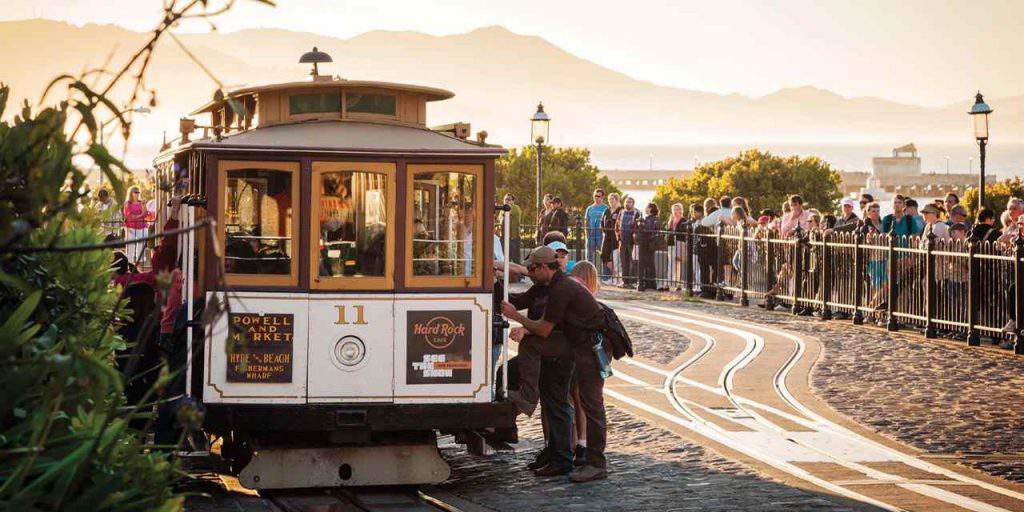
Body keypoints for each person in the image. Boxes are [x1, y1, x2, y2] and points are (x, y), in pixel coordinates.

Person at [501, 246, 608, 482]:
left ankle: (596, 463)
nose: (529, 273)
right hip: (571, 344)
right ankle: (559, 456)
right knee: (554, 397)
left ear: (543, 268)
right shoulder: (546, 284)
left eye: (532, 269)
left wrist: (516, 317)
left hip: (590, 348)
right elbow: (522, 302)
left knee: (591, 404)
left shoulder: (563, 288)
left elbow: (544, 328)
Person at [567, 261, 600, 466]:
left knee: (574, 399)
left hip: (577, 354)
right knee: (583, 401)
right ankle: (583, 444)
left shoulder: (577, 298)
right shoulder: (591, 299)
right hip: (588, 357)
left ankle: (575, 444)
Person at [122, 186, 151, 266]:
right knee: (130, 244)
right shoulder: (127, 203)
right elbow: (129, 216)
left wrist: (144, 206)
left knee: (141, 244)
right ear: (131, 193)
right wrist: (140, 215)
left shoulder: (141, 202)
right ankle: (129, 261)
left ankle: (140, 262)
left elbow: (145, 214)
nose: (137, 193)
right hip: (130, 226)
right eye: (135, 192)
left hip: (142, 226)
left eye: (138, 192)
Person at [616, 197, 640, 287]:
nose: (627, 204)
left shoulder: (637, 213)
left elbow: (638, 227)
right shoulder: (621, 212)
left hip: (632, 242)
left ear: (633, 203)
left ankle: (632, 282)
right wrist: (618, 237)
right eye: (626, 202)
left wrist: (635, 237)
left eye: (629, 202)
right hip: (622, 241)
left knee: (632, 262)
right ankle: (624, 281)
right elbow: (617, 225)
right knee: (623, 262)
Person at [636, 202, 660, 291]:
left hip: (648, 243)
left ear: (650, 208)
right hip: (647, 243)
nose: (645, 209)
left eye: (647, 207)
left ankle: (646, 283)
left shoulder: (653, 219)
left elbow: (649, 229)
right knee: (648, 263)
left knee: (646, 263)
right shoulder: (648, 218)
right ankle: (648, 282)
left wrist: (641, 225)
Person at [600, 193, 622, 284]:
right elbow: (602, 222)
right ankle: (613, 276)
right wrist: (603, 230)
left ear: (617, 200)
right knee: (604, 256)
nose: (610, 201)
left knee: (616, 258)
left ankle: (617, 277)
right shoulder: (607, 210)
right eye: (609, 199)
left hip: (616, 237)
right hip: (607, 237)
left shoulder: (621, 210)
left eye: (612, 199)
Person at [584, 189, 608, 264]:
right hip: (591, 236)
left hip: (601, 236)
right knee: (589, 257)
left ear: (602, 197)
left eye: (598, 196)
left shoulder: (606, 208)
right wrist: (587, 234)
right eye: (595, 196)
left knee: (604, 256)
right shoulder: (589, 208)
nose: (596, 197)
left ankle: (604, 275)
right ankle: (589, 274)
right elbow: (586, 221)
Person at [666, 203, 687, 291]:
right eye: (674, 209)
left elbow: (684, 232)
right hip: (671, 243)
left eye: (678, 209)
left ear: (681, 210)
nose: (675, 211)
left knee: (678, 263)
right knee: (671, 263)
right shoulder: (671, 220)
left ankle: (678, 283)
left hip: (680, 242)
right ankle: (670, 281)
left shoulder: (683, 220)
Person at [503, 193, 523, 263]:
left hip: (513, 238)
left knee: (515, 259)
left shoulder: (515, 208)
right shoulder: (503, 209)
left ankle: (518, 273)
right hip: (504, 238)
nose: (507, 201)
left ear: (513, 201)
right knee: (505, 258)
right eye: (505, 199)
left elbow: (509, 212)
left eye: (509, 199)